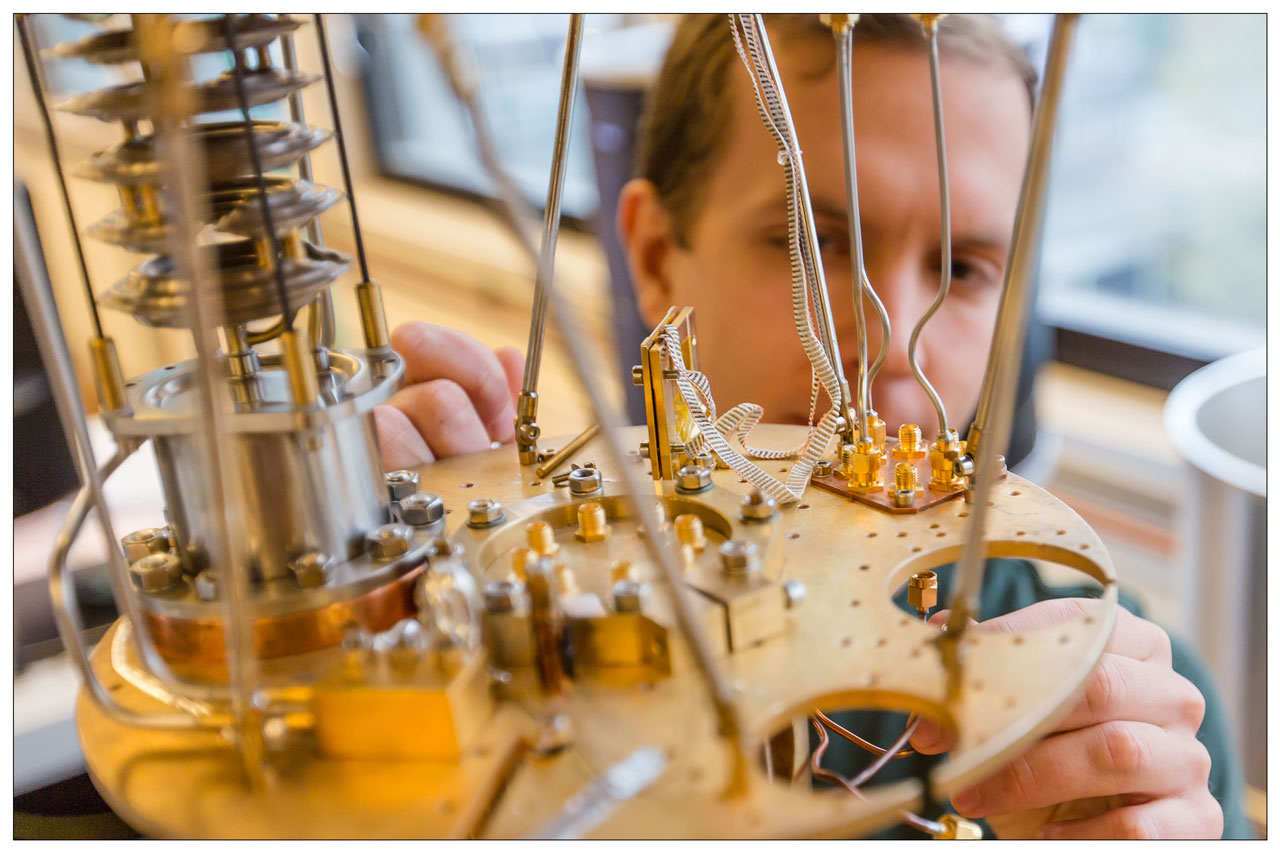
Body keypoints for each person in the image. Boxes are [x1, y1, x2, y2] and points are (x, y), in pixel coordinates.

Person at [374, 14, 1246, 839]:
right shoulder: (488, 622)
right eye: (815, 243)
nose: (888, 339)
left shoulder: (1131, 703)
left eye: (962, 267)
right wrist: (385, 637)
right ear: (652, 256)